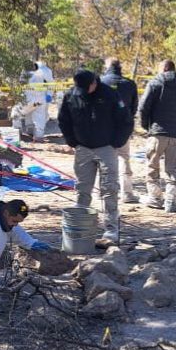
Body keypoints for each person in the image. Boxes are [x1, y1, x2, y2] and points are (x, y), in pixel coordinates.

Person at [58, 69, 132, 242]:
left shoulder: (110, 95)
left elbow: (126, 120)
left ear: (94, 83)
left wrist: (116, 143)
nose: (83, 91)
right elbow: (63, 119)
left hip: (107, 148)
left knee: (109, 189)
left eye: (86, 87)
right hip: (82, 148)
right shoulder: (72, 95)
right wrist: (72, 141)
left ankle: (111, 229)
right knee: (82, 189)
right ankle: (80, 228)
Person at [139, 60, 176, 212]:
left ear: (163, 69)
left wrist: (146, 126)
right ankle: (171, 202)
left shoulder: (154, 84)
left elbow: (143, 108)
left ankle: (155, 198)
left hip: (156, 134)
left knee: (152, 167)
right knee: (173, 169)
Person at [100, 57, 141, 204]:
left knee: (105, 160)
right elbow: (135, 107)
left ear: (107, 66)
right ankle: (127, 193)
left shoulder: (100, 82)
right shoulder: (129, 84)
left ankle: (106, 191)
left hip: (103, 129)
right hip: (123, 128)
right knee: (124, 158)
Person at [14, 59, 54, 142]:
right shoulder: (44, 72)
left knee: (16, 113)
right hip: (40, 100)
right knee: (39, 116)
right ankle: (39, 136)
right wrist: (49, 95)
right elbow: (51, 84)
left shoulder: (26, 72)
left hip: (29, 99)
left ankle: (16, 133)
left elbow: (20, 84)